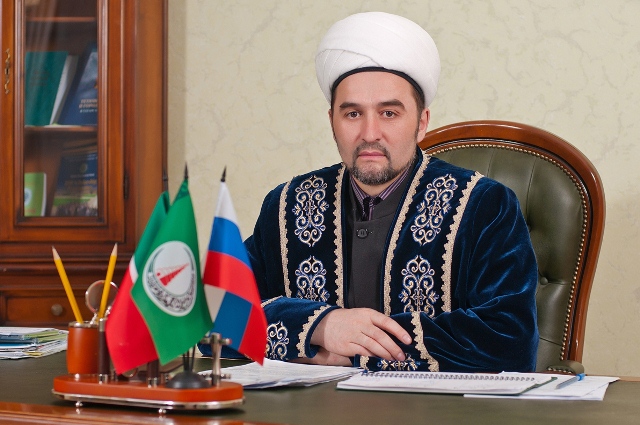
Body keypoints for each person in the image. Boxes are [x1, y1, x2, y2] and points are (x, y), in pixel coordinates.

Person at [245, 11, 538, 372]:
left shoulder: (485, 206)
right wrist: (322, 325)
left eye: (388, 113)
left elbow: (510, 340)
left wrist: (354, 352)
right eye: (353, 114)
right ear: (332, 121)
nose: (370, 133)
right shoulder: (288, 205)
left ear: (421, 123)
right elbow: (218, 309)